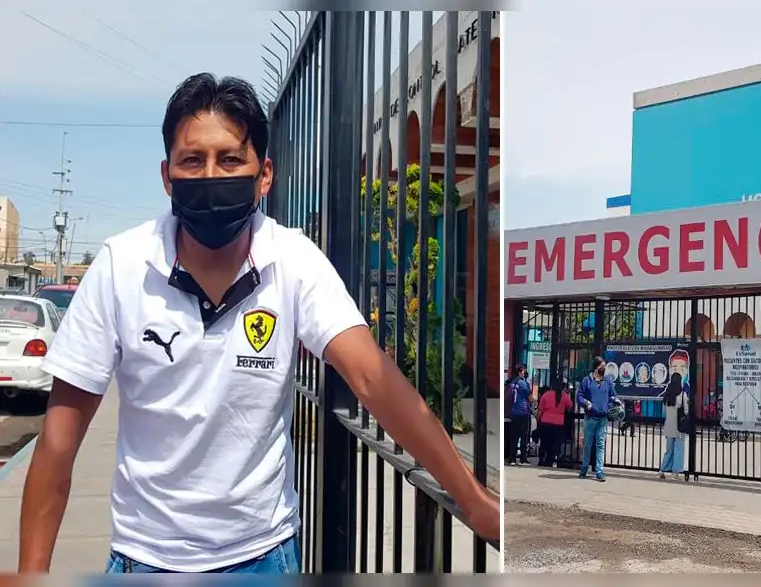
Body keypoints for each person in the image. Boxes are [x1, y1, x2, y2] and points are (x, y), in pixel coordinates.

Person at [17, 74, 499, 575]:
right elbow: (58, 442)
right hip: (147, 560)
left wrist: (473, 499)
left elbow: (373, 377)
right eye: (191, 160)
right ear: (167, 176)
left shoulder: (292, 260)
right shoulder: (122, 266)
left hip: (263, 560)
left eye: (229, 159)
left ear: (263, 175)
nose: (209, 176)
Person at [577, 356, 617, 482]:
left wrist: (609, 407)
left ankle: (599, 471)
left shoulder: (608, 381)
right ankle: (584, 468)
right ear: (596, 367)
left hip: (602, 418)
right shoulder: (587, 381)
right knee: (588, 444)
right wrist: (586, 404)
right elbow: (579, 396)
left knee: (600, 444)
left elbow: (613, 396)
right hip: (590, 418)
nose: (604, 368)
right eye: (602, 366)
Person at [658, 373, 689, 479]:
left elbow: (663, 412)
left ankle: (662, 470)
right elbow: (686, 410)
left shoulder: (667, 396)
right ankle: (675, 473)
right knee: (679, 449)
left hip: (668, 425)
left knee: (669, 450)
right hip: (679, 426)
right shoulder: (682, 395)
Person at [536, 381, 574, 467]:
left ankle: (541, 459)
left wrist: (538, 420)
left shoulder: (546, 395)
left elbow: (540, 410)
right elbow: (569, 407)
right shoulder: (564, 396)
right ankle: (549, 461)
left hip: (545, 421)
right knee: (554, 444)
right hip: (558, 423)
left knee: (544, 442)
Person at [507, 364, 532, 466]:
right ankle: (523, 459)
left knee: (514, 436)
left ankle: (512, 458)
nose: (525, 372)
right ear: (520, 371)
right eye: (524, 370)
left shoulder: (512, 382)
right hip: (523, 412)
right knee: (523, 436)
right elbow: (530, 398)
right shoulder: (523, 384)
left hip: (514, 412)